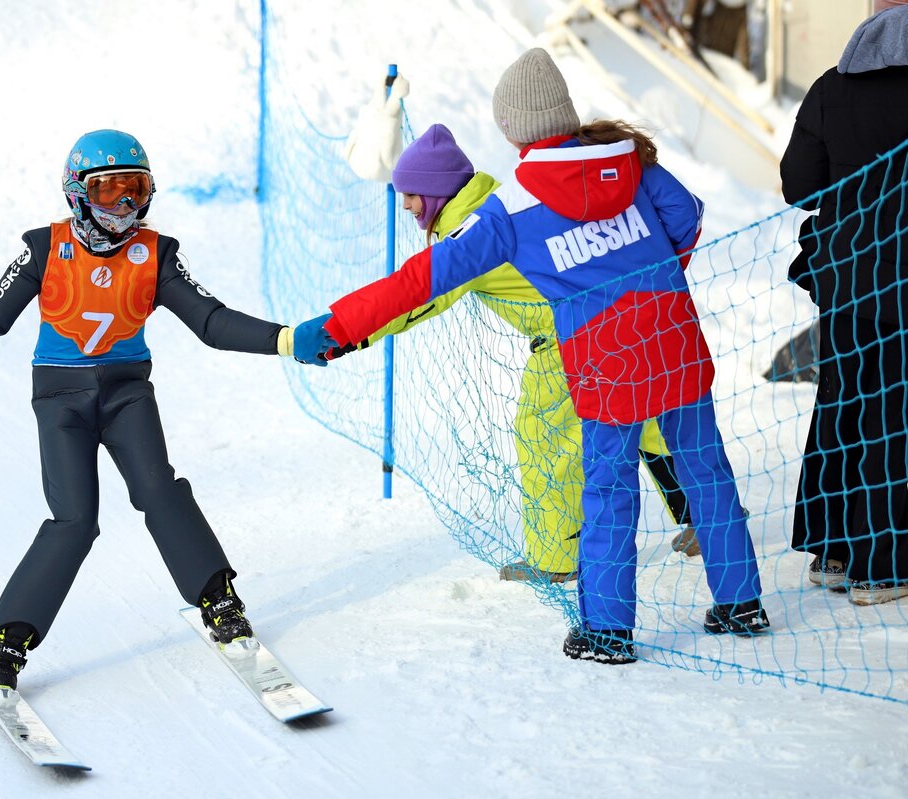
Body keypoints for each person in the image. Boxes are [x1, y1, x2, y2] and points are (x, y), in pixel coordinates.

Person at [296, 49, 768, 664]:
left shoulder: (509, 212)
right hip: (674, 333)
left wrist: (337, 326)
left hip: (603, 359)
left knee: (608, 489)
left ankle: (608, 632)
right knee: (706, 468)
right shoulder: (630, 163)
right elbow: (687, 215)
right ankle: (741, 602)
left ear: (511, 130)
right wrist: (647, 273)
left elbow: (420, 281)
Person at [0, 129, 334, 698]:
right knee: (75, 519)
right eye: (108, 190)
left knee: (159, 489)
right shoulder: (45, 249)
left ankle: (218, 599)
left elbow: (211, 322)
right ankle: (9, 639)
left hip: (125, 395)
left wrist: (285, 339)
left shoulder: (155, 254)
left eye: (135, 188)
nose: (124, 204)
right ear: (77, 193)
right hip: (60, 400)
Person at [333, 122, 701, 583]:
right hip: (616, 317)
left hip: (565, 338)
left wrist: (349, 334)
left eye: (411, 195)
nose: (405, 205)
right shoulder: (494, 203)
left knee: (543, 433)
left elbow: (420, 299)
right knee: (645, 418)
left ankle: (556, 559)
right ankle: (705, 514)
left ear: (436, 191)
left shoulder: (470, 233)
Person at [781, 0, 908, 605]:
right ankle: (882, 569)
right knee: (895, 418)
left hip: (846, 280)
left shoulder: (832, 87)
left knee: (842, 405)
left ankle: (831, 552)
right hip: (900, 286)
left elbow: (799, 187)